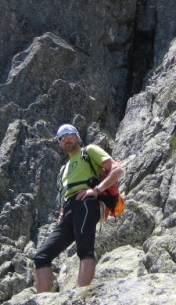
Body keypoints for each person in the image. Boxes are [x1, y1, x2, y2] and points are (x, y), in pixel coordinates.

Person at [34, 124, 123, 292]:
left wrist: (96, 190)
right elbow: (65, 193)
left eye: (69, 134)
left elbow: (117, 170)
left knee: (84, 249)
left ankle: (80, 294)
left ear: (77, 136)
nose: (66, 139)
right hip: (69, 209)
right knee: (41, 256)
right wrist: (62, 211)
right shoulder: (63, 169)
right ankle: (42, 302)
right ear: (59, 143)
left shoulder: (89, 151)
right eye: (61, 137)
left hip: (86, 203)